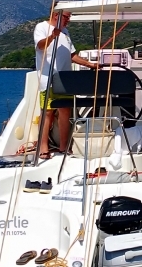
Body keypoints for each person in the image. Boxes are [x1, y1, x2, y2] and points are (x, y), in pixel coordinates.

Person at [33, 10, 98, 159]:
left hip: (65, 79)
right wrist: (52, 36)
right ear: (57, 15)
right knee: (47, 113)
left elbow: (72, 55)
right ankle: (44, 148)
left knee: (65, 111)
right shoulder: (41, 27)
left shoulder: (66, 32)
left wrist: (90, 64)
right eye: (67, 17)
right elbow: (41, 46)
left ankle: (64, 147)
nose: (69, 20)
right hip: (47, 79)